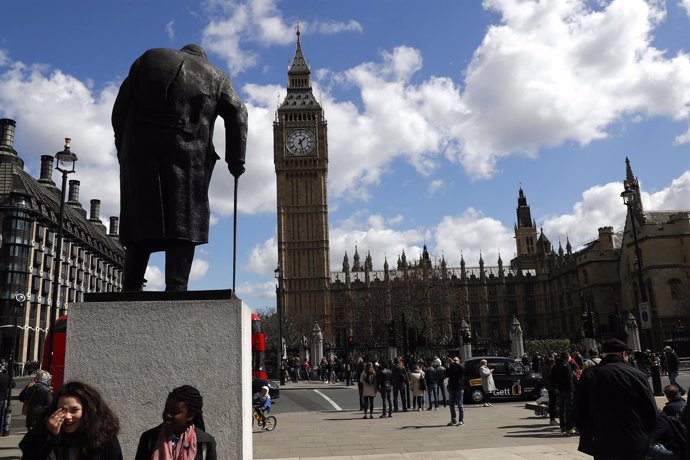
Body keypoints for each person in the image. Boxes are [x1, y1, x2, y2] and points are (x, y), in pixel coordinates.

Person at [112, 44, 248, 292]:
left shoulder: (148, 57)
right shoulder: (217, 76)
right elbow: (238, 112)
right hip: (188, 154)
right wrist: (236, 159)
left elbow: (119, 109)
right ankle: (176, 285)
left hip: (139, 150)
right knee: (185, 217)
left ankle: (131, 285)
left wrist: (123, 146)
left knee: (139, 217)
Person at [574, 338, 657, 459]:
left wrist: (590, 433)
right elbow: (651, 409)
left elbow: (578, 410)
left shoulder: (590, 375)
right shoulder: (637, 374)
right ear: (623, 354)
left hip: (603, 438)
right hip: (634, 438)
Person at [19, 381, 122, 459]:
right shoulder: (42, 433)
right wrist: (50, 436)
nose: (67, 416)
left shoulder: (104, 438)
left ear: (87, 412)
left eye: (74, 410)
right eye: (62, 410)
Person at [135, 385, 217, 460]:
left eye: (175, 412)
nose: (167, 415)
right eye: (166, 409)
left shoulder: (205, 443)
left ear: (190, 416)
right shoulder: (149, 438)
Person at [551, 351, 577, 435]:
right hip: (567, 389)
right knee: (569, 408)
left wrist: (556, 388)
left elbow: (552, 378)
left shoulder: (555, 366)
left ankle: (562, 426)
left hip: (559, 390)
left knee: (561, 408)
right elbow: (569, 378)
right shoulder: (567, 365)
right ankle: (569, 427)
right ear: (567, 357)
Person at [446, 356, 465, 426]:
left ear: (459, 361)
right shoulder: (451, 368)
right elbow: (447, 374)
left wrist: (455, 363)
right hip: (452, 388)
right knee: (451, 405)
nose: (454, 361)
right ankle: (453, 420)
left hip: (459, 388)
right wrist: (448, 365)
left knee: (460, 405)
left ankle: (461, 420)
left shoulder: (460, 367)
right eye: (453, 360)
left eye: (456, 360)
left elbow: (463, 369)